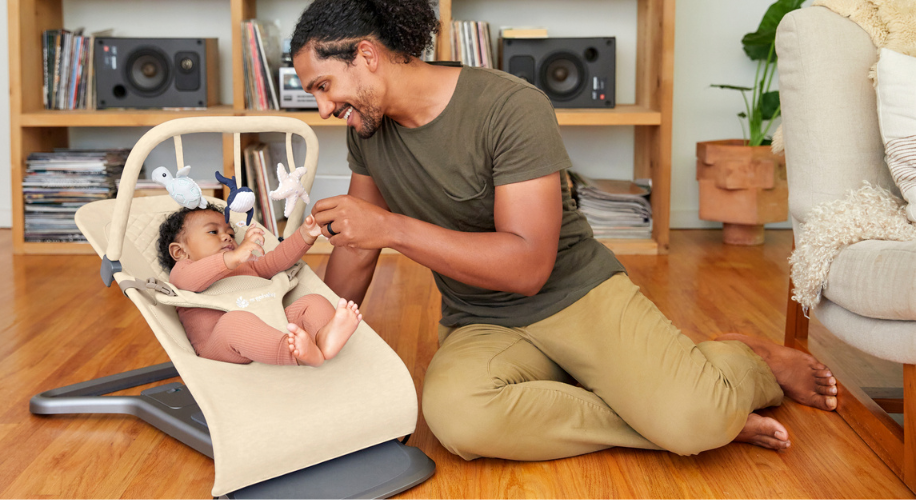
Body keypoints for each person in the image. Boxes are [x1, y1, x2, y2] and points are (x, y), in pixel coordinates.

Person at [290, 0, 840, 460]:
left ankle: (742, 364)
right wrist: (309, 339)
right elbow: (359, 250)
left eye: (323, 85)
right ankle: (671, 416)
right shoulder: (368, 130)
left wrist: (392, 228)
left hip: (576, 295)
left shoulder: (508, 106)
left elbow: (527, 267)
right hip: (481, 319)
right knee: (458, 420)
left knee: (693, 419)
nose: (321, 107)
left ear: (366, 55)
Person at [157, 204, 361, 367]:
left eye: (230, 232)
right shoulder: (183, 271)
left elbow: (277, 260)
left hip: (271, 324)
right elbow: (188, 281)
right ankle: (297, 355)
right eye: (213, 232)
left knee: (313, 302)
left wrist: (305, 235)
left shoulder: (247, 266)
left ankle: (323, 338)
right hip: (220, 343)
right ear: (179, 252)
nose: (227, 236)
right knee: (234, 323)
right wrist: (233, 257)